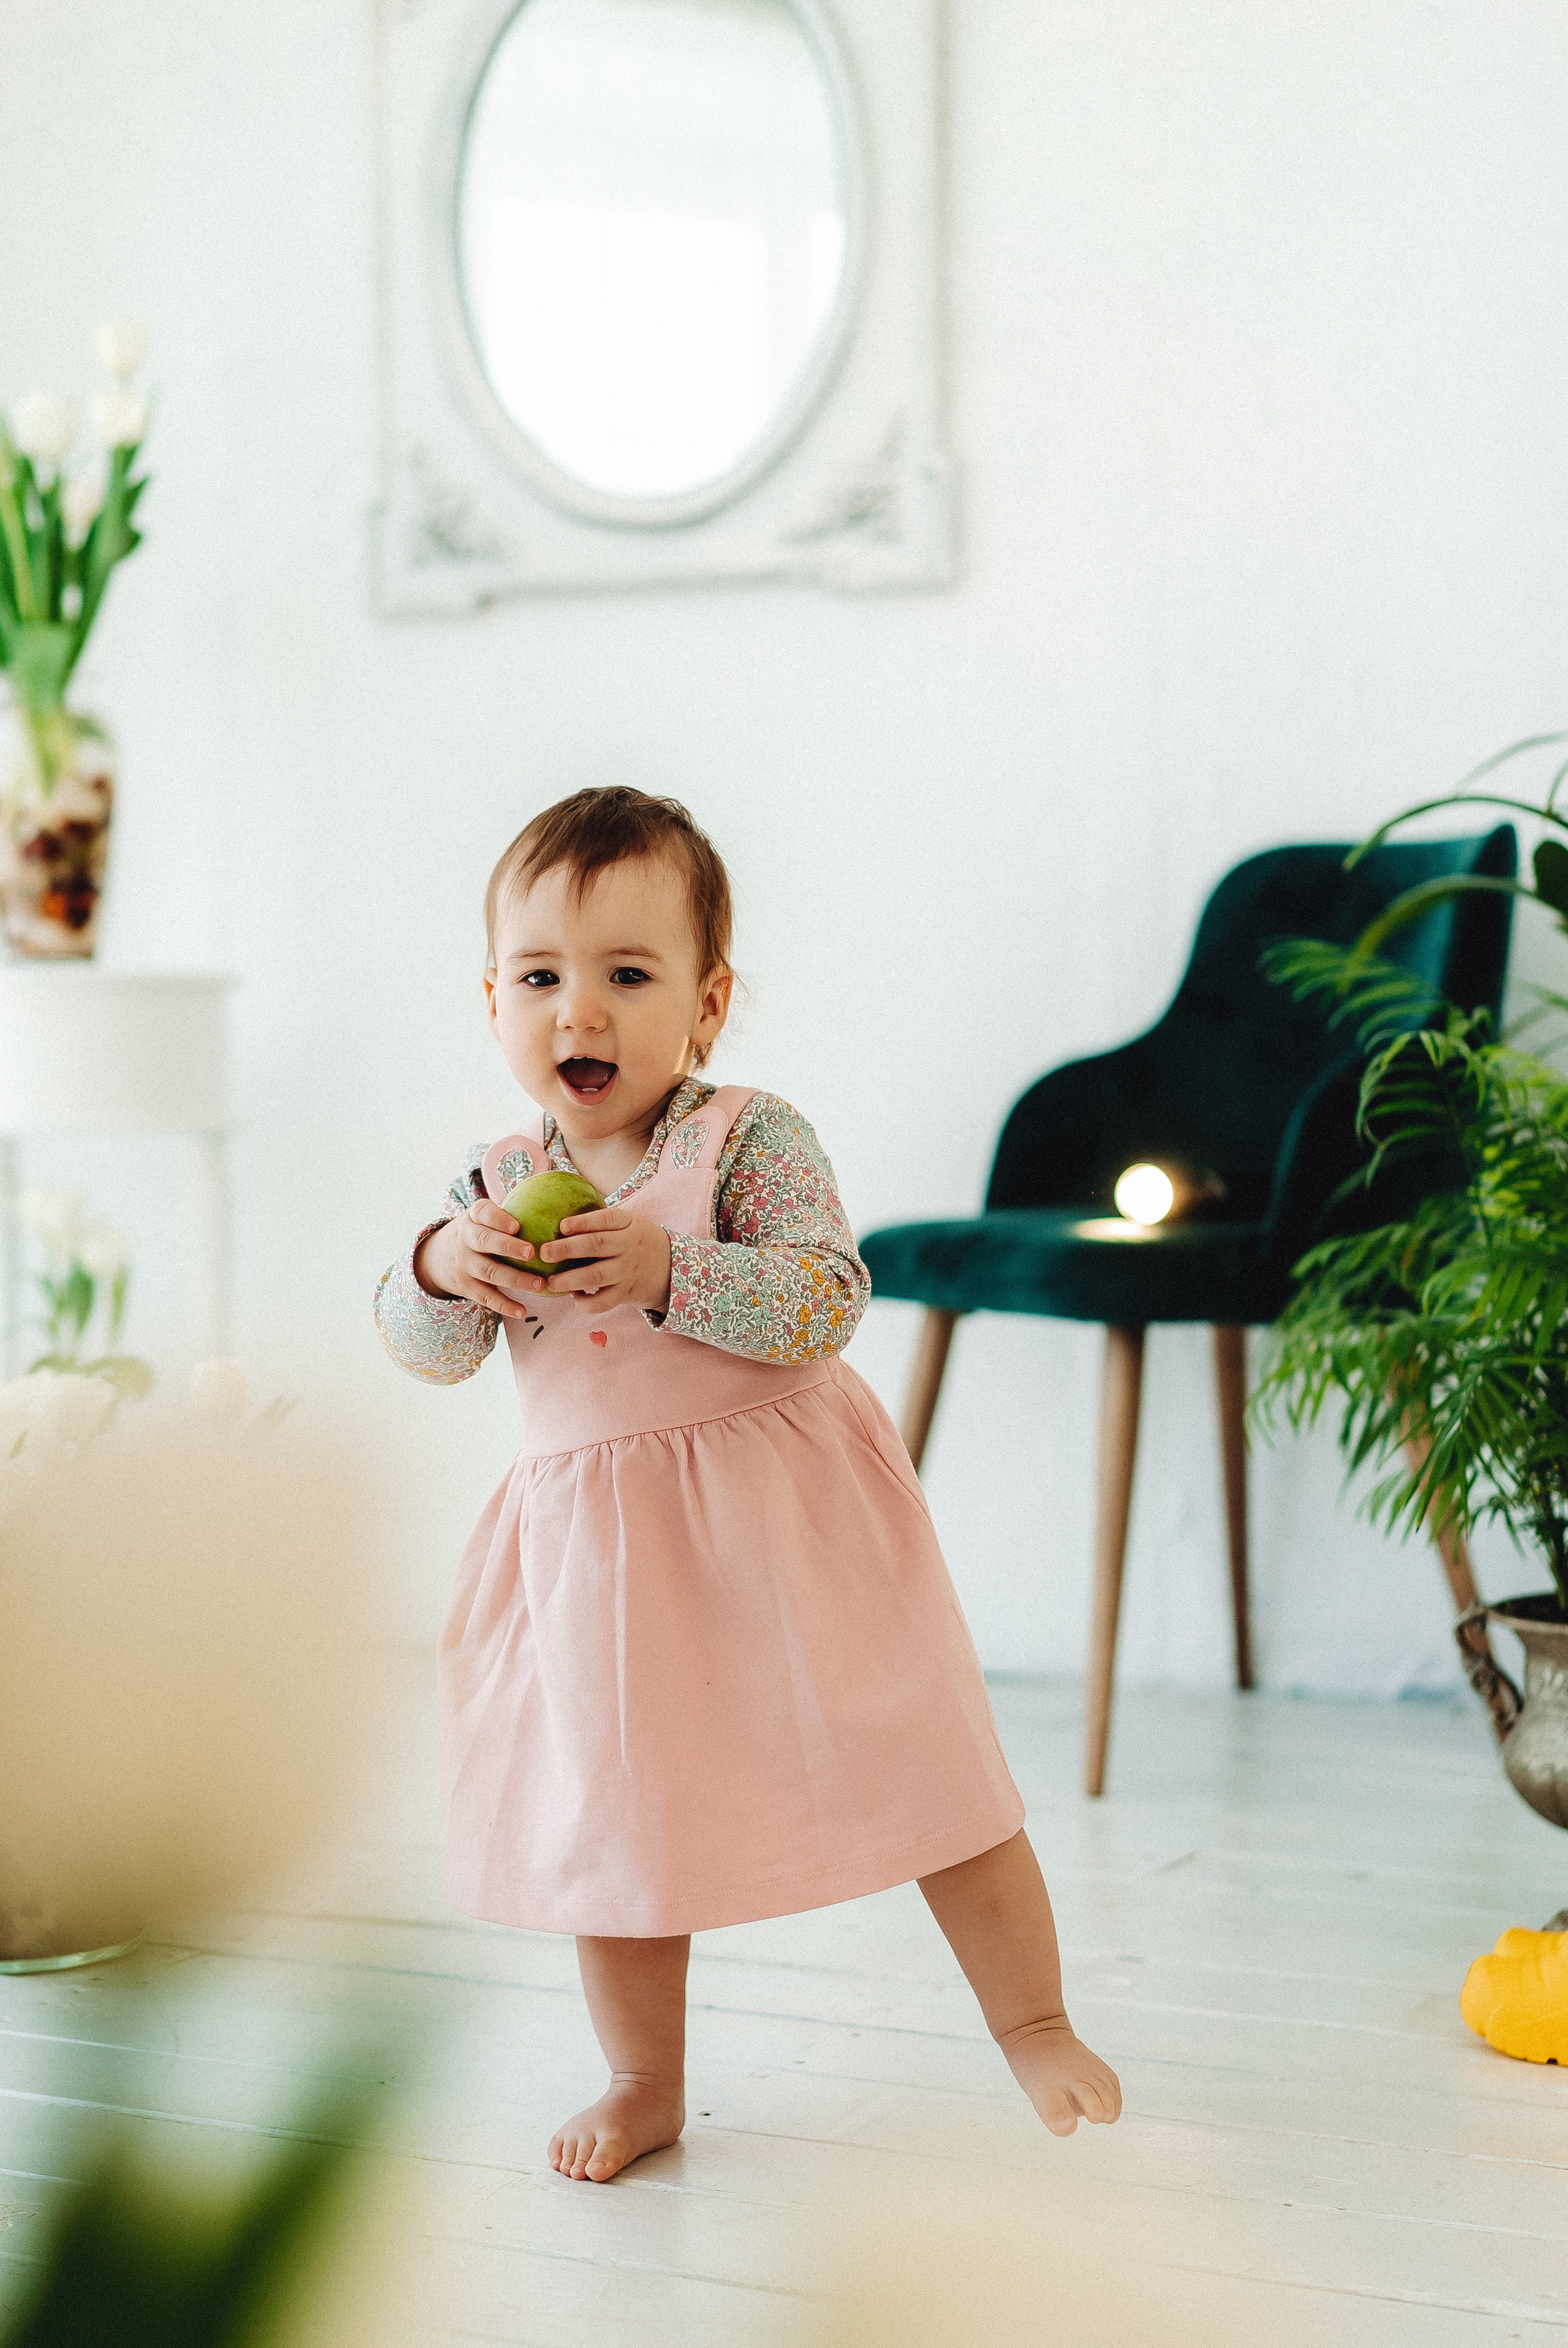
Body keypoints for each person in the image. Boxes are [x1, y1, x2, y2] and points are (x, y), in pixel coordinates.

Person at [376, 786, 1121, 2183]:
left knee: (925, 1762)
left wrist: (672, 1272)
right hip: (604, 1565)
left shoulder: (745, 1139)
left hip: (785, 1527)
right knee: (618, 1813)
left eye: (626, 975)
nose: (577, 1013)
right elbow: (427, 1354)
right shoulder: (490, 1183)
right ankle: (641, 2075)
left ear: (707, 1006)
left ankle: (1032, 2019)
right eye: (540, 977)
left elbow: (828, 1302)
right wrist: (435, 1268)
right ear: (491, 999)